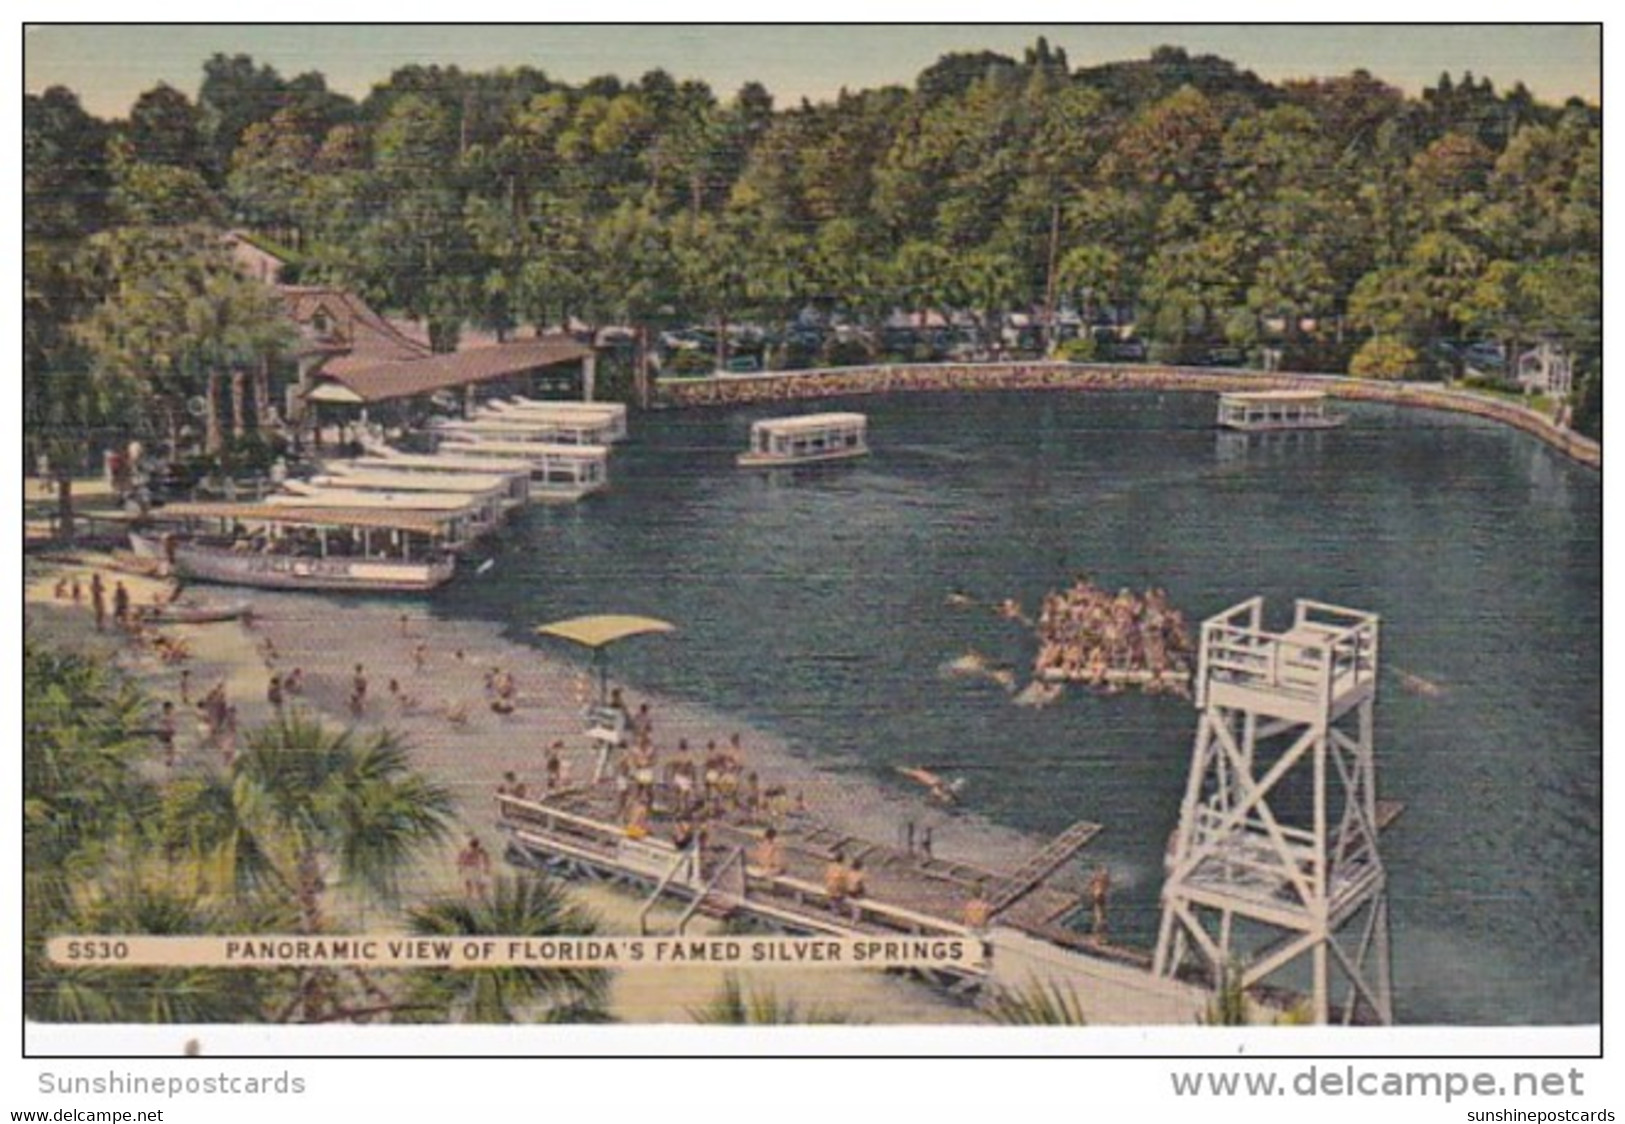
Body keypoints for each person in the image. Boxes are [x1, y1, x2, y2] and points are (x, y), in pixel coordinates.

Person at [1089, 865, 1111, 941]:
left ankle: (1099, 937)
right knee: (1100, 919)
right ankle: (1098, 937)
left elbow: (1092, 885)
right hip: (1099, 896)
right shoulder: (1100, 880)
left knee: (1101, 918)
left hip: (1100, 896)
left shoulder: (1098, 880)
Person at [156, 701, 177, 767]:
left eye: (171, 708)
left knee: (170, 747)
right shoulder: (164, 716)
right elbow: (162, 724)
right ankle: (169, 760)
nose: (171, 710)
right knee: (169, 747)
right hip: (165, 733)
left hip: (169, 733)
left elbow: (172, 723)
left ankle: (170, 760)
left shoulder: (169, 715)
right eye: (170, 708)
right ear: (166, 708)